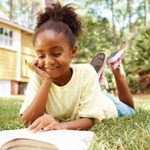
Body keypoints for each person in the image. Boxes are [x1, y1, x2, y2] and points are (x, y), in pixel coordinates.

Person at [20, 2, 135, 132]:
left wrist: (61, 126)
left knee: (131, 109)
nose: (48, 62)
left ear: (73, 52)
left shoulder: (86, 72)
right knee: (89, 84)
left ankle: (115, 69)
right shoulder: (39, 77)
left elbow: (89, 120)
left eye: (56, 53)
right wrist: (47, 81)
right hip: (87, 94)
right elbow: (26, 121)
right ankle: (96, 85)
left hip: (104, 104)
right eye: (41, 56)